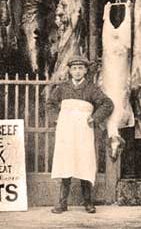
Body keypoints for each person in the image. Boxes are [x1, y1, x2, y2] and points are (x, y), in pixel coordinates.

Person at [46, 55, 114, 214]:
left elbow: (107, 104)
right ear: (69, 70)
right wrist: (56, 118)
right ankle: (62, 204)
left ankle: (88, 203)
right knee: (65, 162)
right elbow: (50, 103)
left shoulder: (92, 88)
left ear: (85, 70)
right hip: (66, 129)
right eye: (74, 68)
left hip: (84, 130)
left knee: (84, 162)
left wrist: (95, 118)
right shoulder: (62, 88)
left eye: (81, 68)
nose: (77, 72)